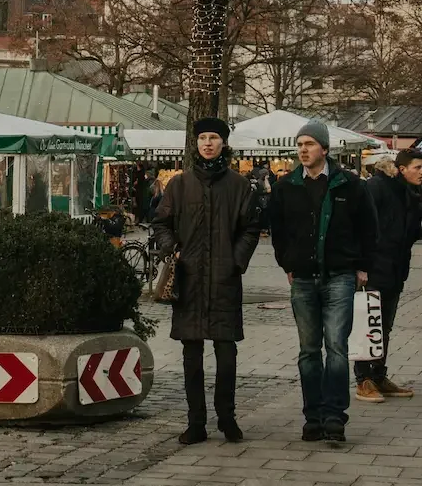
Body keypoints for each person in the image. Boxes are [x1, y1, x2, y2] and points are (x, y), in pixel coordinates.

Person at [263, 120, 376, 444]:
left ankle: (334, 417)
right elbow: (278, 230)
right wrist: (287, 262)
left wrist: (362, 266)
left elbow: (369, 229)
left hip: (339, 276)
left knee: (337, 348)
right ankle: (313, 417)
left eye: (310, 144)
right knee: (309, 351)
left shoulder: (349, 185)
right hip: (302, 279)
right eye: (300, 144)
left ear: (324, 149)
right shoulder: (286, 187)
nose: (303, 149)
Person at [150, 117, 260, 446]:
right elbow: (161, 223)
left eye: (214, 138)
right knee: (191, 354)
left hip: (225, 280)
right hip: (190, 280)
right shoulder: (179, 185)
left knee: (226, 353)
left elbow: (251, 228)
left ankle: (227, 417)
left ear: (223, 143)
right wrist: (173, 249)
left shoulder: (239, 186)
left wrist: (236, 261)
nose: (208, 143)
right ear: (196, 143)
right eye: (203, 138)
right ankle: (195, 422)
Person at [355, 149, 422, 402]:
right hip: (374, 266)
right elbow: (360, 225)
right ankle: (363, 379)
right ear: (401, 168)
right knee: (368, 323)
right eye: (417, 167)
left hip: (397, 267)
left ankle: (378, 375)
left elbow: (415, 231)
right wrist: (360, 265)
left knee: (384, 326)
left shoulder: (413, 192)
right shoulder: (377, 186)